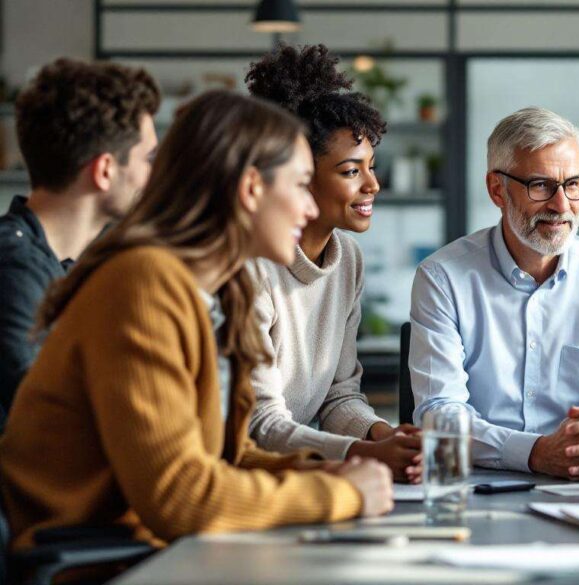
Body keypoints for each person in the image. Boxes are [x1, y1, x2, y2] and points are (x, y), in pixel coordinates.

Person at [0, 90, 393, 553]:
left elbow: (229, 457)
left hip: (152, 550)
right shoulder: (143, 284)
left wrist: (331, 470)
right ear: (251, 188)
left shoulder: (220, 291)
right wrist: (343, 493)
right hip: (89, 558)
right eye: (299, 185)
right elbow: (178, 496)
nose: (309, 209)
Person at [410, 107, 579, 479]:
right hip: (478, 481)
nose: (561, 206)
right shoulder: (443, 277)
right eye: (541, 185)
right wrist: (535, 453)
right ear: (497, 189)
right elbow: (439, 411)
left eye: (573, 184)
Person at [245, 44, 421, 483]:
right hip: (253, 477)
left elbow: (339, 397)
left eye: (372, 167)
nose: (373, 185)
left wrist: (386, 436)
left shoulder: (348, 261)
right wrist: (365, 453)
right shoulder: (251, 266)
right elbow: (259, 424)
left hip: (300, 473)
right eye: (350, 172)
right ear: (299, 175)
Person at [0, 58, 159, 430]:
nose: (156, 174)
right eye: (148, 158)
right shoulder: (14, 267)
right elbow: (58, 419)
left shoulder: (83, 263)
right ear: (104, 170)